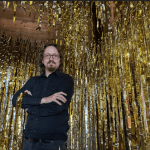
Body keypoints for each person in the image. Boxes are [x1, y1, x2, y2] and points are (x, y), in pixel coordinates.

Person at [12, 44, 74, 150]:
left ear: (60, 60)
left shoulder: (66, 80)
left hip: (53, 144)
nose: (51, 58)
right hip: (29, 143)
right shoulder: (33, 81)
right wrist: (45, 100)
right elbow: (15, 101)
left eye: (55, 55)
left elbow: (57, 107)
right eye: (47, 55)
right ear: (42, 60)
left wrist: (31, 104)